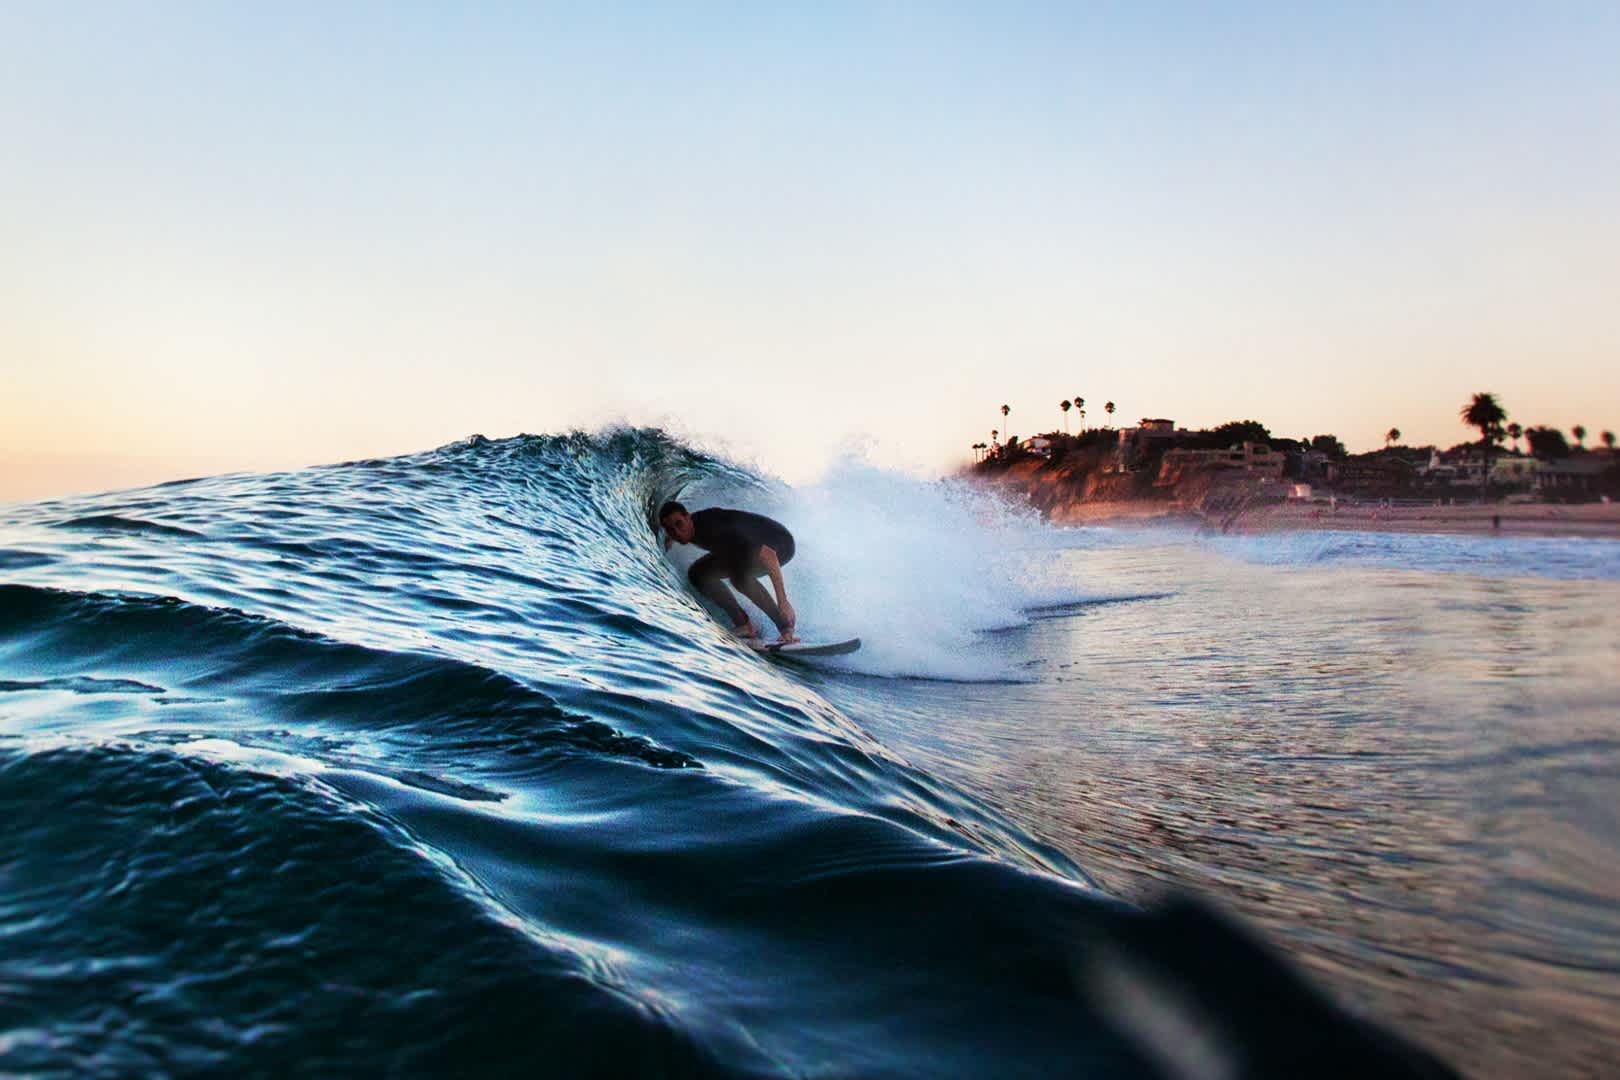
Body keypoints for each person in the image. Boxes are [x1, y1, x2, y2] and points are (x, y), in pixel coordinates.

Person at [658, 500, 798, 643]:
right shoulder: (690, 525)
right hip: (742, 549)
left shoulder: (717, 529)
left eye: (679, 524)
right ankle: (743, 625)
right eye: (671, 530)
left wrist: (783, 601)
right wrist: (669, 538)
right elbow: (677, 526)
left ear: (688, 517)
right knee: (698, 574)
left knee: (740, 578)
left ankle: (785, 628)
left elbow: (768, 555)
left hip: (781, 544)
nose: (678, 533)